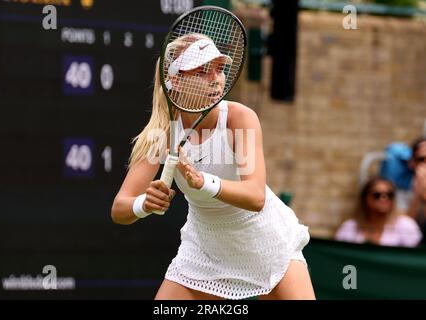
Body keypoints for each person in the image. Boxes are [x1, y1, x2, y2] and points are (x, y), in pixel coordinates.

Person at [111, 34, 315, 300]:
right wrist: (145, 204)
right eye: (203, 71)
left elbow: (256, 197)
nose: (216, 78)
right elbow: (120, 209)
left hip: (265, 241)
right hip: (205, 248)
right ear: (176, 81)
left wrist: (203, 182)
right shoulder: (161, 133)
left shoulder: (240, 118)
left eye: (219, 68)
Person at [335, 177, 422, 247]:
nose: (384, 198)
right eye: (377, 195)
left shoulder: (405, 225)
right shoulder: (349, 227)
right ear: (365, 198)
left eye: (389, 195)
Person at [406, 138, 426, 244]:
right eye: (422, 159)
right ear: (412, 163)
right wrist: (418, 194)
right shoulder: (395, 189)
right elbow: (401, 230)